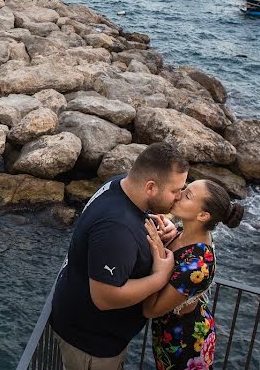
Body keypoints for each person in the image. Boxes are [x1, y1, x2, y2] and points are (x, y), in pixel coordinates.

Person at [51, 142, 190, 370]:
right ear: (151, 187)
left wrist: (157, 228)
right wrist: (160, 277)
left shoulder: (119, 185)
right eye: (175, 191)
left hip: (91, 330)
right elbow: (105, 297)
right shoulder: (116, 228)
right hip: (92, 347)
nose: (179, 197)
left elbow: (131, 222)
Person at [143, 180, 244, 370]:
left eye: (187, 195)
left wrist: (158, 259)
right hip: (170, 332)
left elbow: (151, 310)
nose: (179, 194)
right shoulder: (186, 232)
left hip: (186, 342)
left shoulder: (198, 266)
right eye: (184, 188)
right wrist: (168, 237)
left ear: (203, 215)